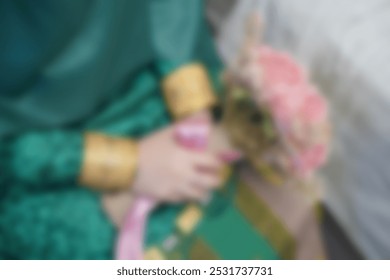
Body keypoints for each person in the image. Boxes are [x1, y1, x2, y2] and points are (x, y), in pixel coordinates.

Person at [0, 0, 323, 259]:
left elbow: (171, 15)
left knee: (281, 197)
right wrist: (131, 164)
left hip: (146, 88)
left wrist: (193, 112)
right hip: (32, 164)